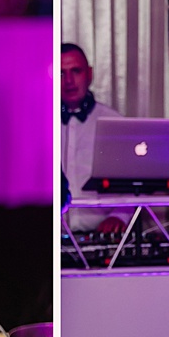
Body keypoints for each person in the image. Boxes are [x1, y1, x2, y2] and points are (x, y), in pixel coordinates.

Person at [60, 43, 127, 232]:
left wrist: (119, 216)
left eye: (76, 71)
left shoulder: (115, 124)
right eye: (61, 73)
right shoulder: (39, 124)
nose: (69, 81)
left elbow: (134, 184)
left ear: (89, 74)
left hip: (101, 237)